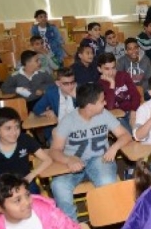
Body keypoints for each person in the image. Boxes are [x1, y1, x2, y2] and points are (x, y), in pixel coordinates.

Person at [49, 83, 132, 221]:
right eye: (102, 101)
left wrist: (114, 147)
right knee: (58, 186)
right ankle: (71, 227)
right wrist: (69, 160)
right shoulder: (68, 121)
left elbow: (125, 135)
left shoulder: (104, 115)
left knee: (106, 182)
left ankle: (104, 221)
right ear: (89, 106)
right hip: (74, 163)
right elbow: (54, 151)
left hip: (100, 160)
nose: (105, 103)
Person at [0, 107, 52, 194]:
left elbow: (47, 160)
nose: (14, 132)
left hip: (25, 182)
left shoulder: (25, 139)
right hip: (2, 186)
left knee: (32, 198)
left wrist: (31, 175)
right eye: (8, 128)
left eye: (17, 127)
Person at [97, 53, 141, 133]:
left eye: (113, 68)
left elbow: (136, 95)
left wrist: (133, 110)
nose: (111, 72)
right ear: (99, 69)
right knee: (129, 135)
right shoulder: (99, 85)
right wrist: (112, 84)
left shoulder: (124, 76)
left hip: (132, 110)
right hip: (116, 115)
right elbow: (110, 107)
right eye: (107, 69)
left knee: (141, 133)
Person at [32, 67, 77, 143]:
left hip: (78, 129)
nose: (70, 86)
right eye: (66, 83)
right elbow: (36, 108)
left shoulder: (79, 90)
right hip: (58, 130)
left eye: (72, 82)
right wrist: (47, 112)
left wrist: (77, 97)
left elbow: (90, 109)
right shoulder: (51, 93)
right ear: (58, 83)